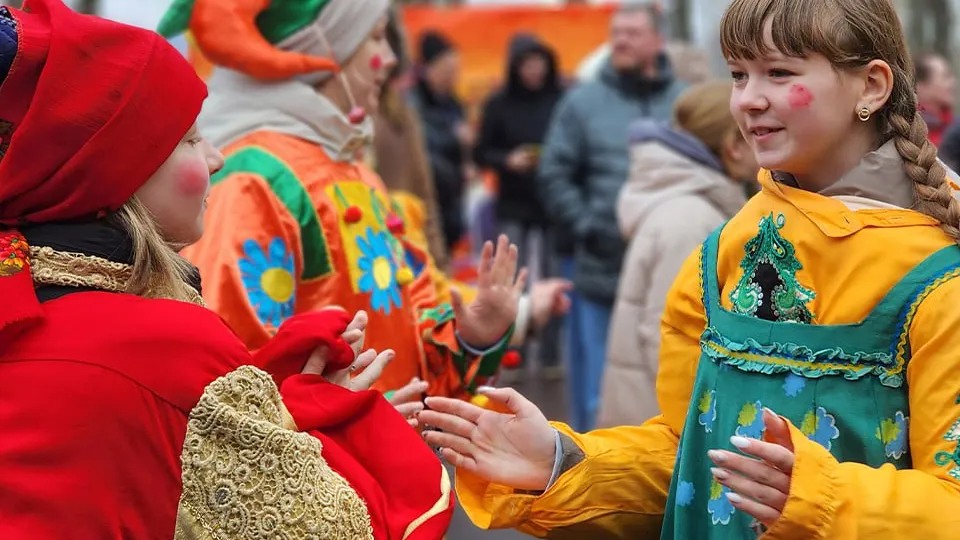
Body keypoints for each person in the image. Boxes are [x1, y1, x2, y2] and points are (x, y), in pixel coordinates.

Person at [419, 0, 960, 538]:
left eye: (778, 73)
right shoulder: (724, 251)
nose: (748, 100)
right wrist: (562, 462)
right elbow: (691, 459)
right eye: (737, 75)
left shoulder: (940, 270)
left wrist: (824, 501)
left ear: (871, 86)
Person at [0, 1, 454, 538]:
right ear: (116, 168)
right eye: (190, 138)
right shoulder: (167, 336)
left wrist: (272, 407)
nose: (217, 156)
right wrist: (347, 431)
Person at [158, 0, 532, 403]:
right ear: (321, 53)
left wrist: (472, 334)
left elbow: (408, 330)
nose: (389, 59)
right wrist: (348, 415)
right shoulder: (254, 180)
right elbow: (234, 380)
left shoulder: (354, 170)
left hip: (387, 461)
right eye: (374, 38)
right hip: (333, 464)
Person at [538, 1, 686, 431]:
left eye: (632, 33)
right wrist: (587, 224)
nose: (620, 40)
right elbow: (552, 172)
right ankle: (591, 484)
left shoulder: (683, 103)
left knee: (667, 386)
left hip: (670, 272)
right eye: (616, 32)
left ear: (658, 41)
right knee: (599, 393)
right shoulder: (581, 103)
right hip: (602, 271)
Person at [597, 80, 756, 429]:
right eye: (754, 131)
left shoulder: (687, 205)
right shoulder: (691, 220)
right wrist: (702, 426)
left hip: (645, 413)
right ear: (733, 145)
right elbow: (668, 338)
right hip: (661, 426)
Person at [474, 33, 567, 381]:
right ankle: (514, 350)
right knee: (512, 277)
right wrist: (507, 160)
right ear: (515, 67)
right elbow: (481, 151)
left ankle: (551, 357)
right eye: (527, 64)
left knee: (553, 281)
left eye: (539, 62)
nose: (534, 70)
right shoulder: (499, 103)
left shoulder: (559, 99)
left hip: (550, 204)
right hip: (513, 203)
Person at [410, 30, 471, 252]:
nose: (452, 76)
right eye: (447, 70)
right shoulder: (414, 105)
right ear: (429, 69)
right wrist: (455, 139)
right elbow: (424, 152)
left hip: (453, 202)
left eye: (455, 70)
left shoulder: (454, 103)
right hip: (430, 200)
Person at [915, 52, 955, 147]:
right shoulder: (906, 127)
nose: (952, 83)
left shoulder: (953, 125)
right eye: (945, 76)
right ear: (921, 85)